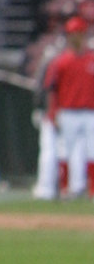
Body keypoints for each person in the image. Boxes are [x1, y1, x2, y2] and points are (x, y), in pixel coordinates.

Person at [41, 15, 94, 196]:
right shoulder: (61, 61)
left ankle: (91, 190)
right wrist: (53, 112)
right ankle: (64, 189)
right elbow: (51, 89)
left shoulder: (91, 59)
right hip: (68, 111)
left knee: (92, 151)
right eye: (72, 33)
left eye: (78, 33)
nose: (75, 37)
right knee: (64, 151)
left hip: (90, 112)